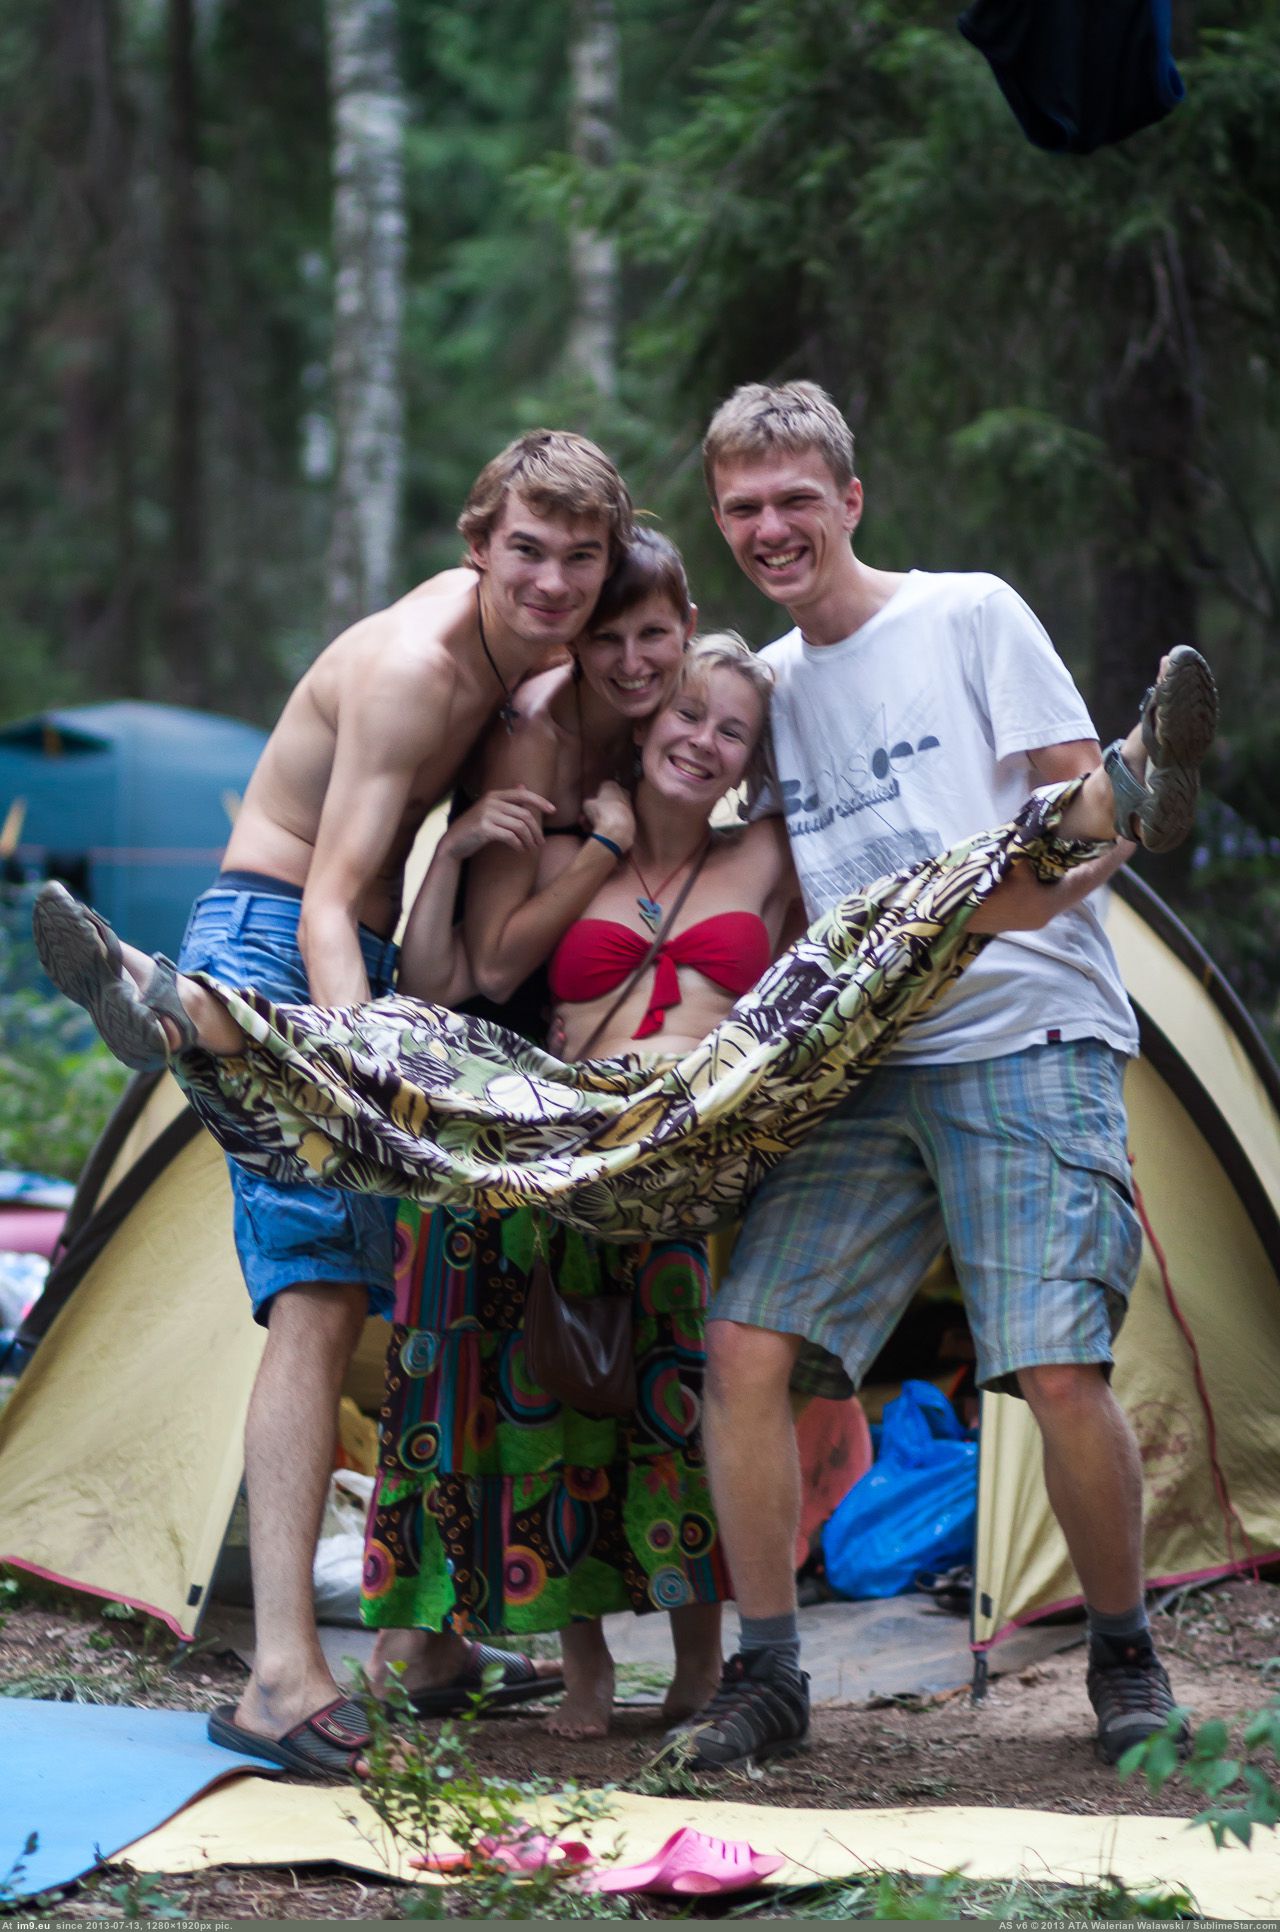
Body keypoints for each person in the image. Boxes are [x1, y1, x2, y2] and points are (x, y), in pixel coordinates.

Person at [34, 643, 1210, 1767]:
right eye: (685, 715)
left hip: (703, 1102)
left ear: (751, 760)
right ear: (649, 726)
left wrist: (1065, 873)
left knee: (882, 930)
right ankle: (179, 1004)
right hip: (564, 1120)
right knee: (415, 1045)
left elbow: (920, 934)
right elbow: (471, 979)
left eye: (730, 730)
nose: (700, 739)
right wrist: (507, 853)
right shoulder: (570, 834)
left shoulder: (770, 854)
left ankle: (1108, 795)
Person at [667, 378, 1219, 1772]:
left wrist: (1063, 854)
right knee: (744, 1349)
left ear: (853, 499)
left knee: (1054, 1364)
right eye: (745, 508)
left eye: (799, 499)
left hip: (1027, 1032)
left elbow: (1076, 820)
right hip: (864, 1064)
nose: (773, 527)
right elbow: (774, 881)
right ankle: (771, 1675)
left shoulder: (967, 614)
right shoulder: (771, 694)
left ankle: (1121, 1654)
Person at [159, 427, 632, 1776]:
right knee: (316, 1307)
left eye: (577, 558)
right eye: (526, 552)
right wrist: (354, 1055)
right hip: (279, 948)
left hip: (354, 966)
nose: (551, 581)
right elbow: (321, 895)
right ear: (478, 542)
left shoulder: (528, 656)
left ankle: (427, 1642)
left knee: (410, 1291)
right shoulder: (422, 672)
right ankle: (278, 1681)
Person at [371, 535, 724, 1741]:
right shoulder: (535, 736)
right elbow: (484, 964)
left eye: (651, 636)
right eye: (604, 637)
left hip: (613, 1117)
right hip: (498, 1094)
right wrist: (607, 849)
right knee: (498, 1384)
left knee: (623, 1376)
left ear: (687, 626)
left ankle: (474, 1642)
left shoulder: (690, 736)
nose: (630, 661)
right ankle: (432, 1637)